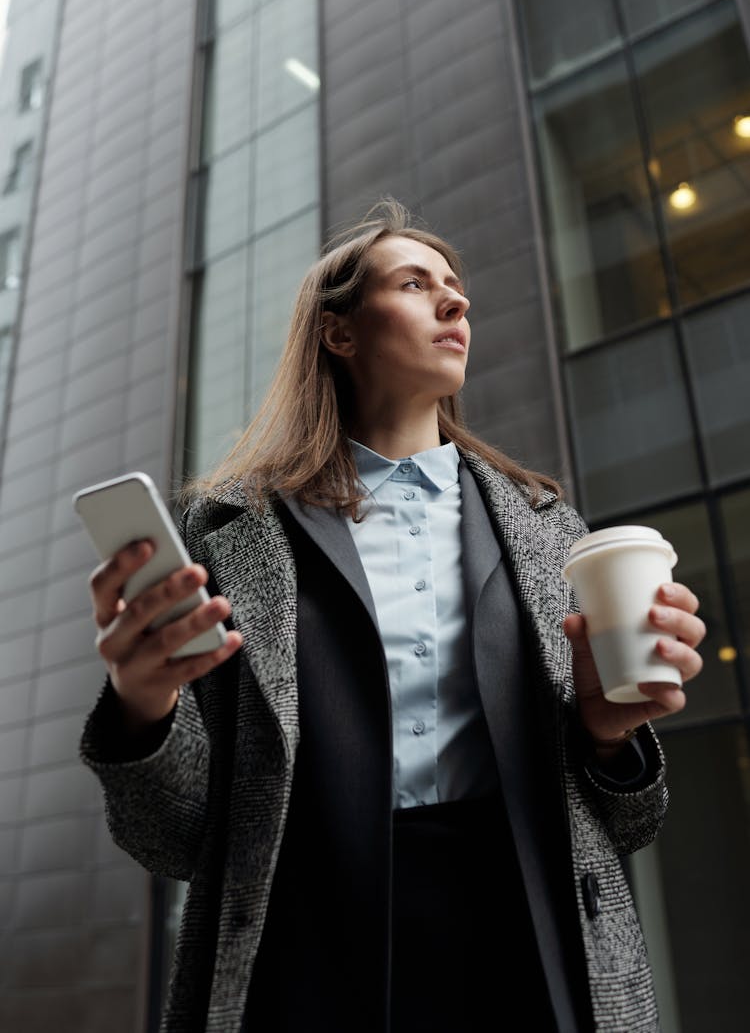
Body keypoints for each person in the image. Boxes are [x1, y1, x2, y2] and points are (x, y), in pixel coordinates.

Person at [81, 200, 705, 1033]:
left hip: (529, 944)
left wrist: (609, 737)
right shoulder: (228, 534)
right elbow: (174, 840)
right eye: (417, 285)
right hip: (306, 959)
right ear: (339, 333)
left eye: (457, 289)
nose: (457, 304)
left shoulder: (551, 528)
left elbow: (629, 825)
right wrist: (141, 707)